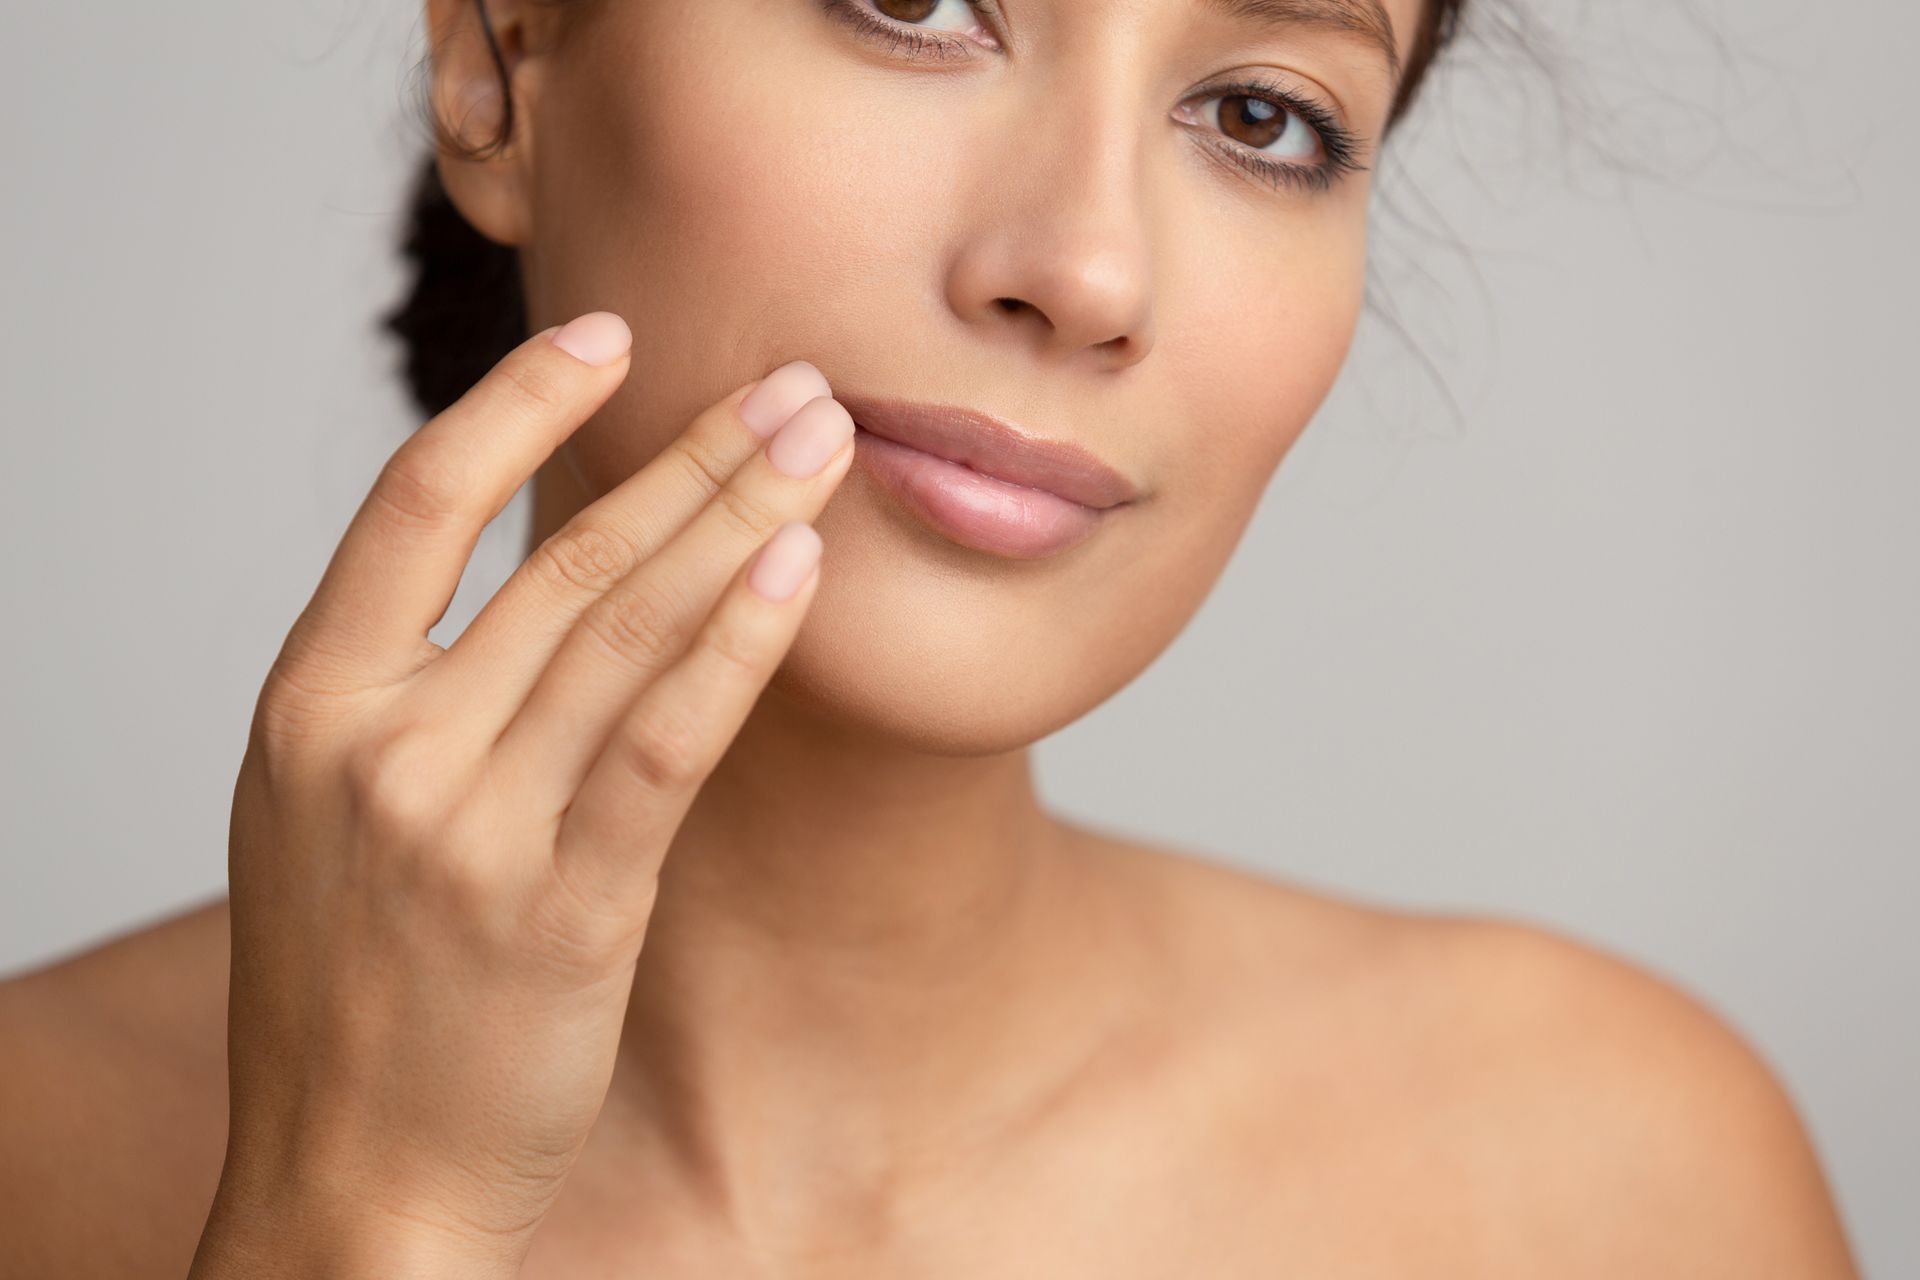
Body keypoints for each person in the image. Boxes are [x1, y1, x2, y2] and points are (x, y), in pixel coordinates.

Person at [0, 0, 1862, 1274]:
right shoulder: (38, 1158)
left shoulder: (1615, 1172)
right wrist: (359, 1221)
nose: (1088, 270)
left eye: (1262, 115)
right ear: (503, 65)